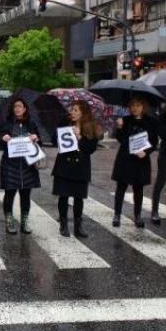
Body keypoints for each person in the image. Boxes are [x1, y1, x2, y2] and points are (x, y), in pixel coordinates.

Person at [52, 101, 103, 238]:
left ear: (83, 113)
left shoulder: (90, 128)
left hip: (80, 166)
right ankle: (63, 224)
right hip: (64, 165)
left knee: (78, 198)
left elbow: (91, 149)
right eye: (72, 110)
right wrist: (62, 132)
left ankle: (78, 226)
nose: (72, 112)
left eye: (75, 110)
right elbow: (53, 140)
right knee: (63, 196)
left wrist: (80, 137)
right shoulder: (65, 123)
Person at [0, 98, 41, 234]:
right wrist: (3, 139)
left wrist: (36, 138)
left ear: (25, 108)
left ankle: (24, 222)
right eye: (15, 106)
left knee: (26, 195)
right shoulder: (6, 124)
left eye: (20, 106)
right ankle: (9, 221)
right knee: (9, 194)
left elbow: (40, 142)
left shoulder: (31, 124)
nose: (17, 108)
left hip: (28, 165)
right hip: (10, 165)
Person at [111, 97, 158, 228]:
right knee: (121, 187)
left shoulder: (150, 121)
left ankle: (137, 216)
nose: (135, 108)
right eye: (132, 106)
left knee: (138, 188)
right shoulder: (125, 120)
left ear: (143, 107)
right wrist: (119, 128)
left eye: (138, 105)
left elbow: (154, 142)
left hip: (141, 159)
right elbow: (121, 139)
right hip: (125, 157)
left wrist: (146, 152)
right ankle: (117, 214)